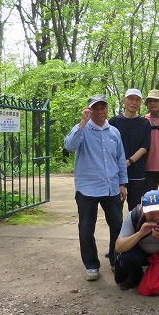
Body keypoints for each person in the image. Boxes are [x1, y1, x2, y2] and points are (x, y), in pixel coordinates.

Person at [63, 94, 127, 281]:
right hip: (87, 188)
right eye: (95, 108)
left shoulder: (114, 132)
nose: (100, 112)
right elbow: (69, 146)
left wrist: (123, 183)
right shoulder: (82, 131)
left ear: (107, 109)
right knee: (86, 228)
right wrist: (82, 123)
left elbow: (120, 160)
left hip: (111, 187)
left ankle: (116, 260)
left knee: (117, 225)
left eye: (103, 108)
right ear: (89, 110)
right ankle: (91, 266)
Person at [109, 88, 151, 210]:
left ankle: (135, 229)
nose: (134, 102)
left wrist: (129, 162)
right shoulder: (114, 121)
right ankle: (118, 230)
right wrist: (120, 164)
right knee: (116, 207)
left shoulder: (144, 123)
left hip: (137, 171)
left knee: (135, 209)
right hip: (116, 171)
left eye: (137, 100)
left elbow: (145, 147)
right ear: (124, 100)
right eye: (131, 99)